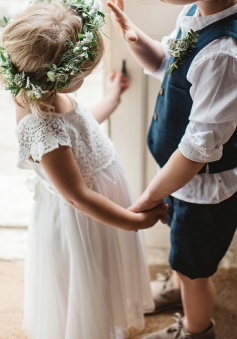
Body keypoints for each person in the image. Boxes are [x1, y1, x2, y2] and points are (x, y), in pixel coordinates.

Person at [0, 1, 169, 338]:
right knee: (91, 280)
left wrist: (110, 100)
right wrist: (132, 222)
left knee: (107, 270)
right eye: (83, 75)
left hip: (97, 206)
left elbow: (78, 125)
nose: (85, 77)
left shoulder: (43, 96)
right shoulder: (41, 126)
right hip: (85, 217)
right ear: (59, 78)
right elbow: (77, 195)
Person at [107, 0, 237, 338]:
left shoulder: (223, 53)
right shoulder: (197, 12)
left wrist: (151, 194)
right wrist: (130, 33)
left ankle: (197, 329)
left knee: (195, 268)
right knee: (181, 241)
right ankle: (177, 281)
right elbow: (170, 61)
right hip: (180, 176)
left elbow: (198, 149)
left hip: (205, 187)